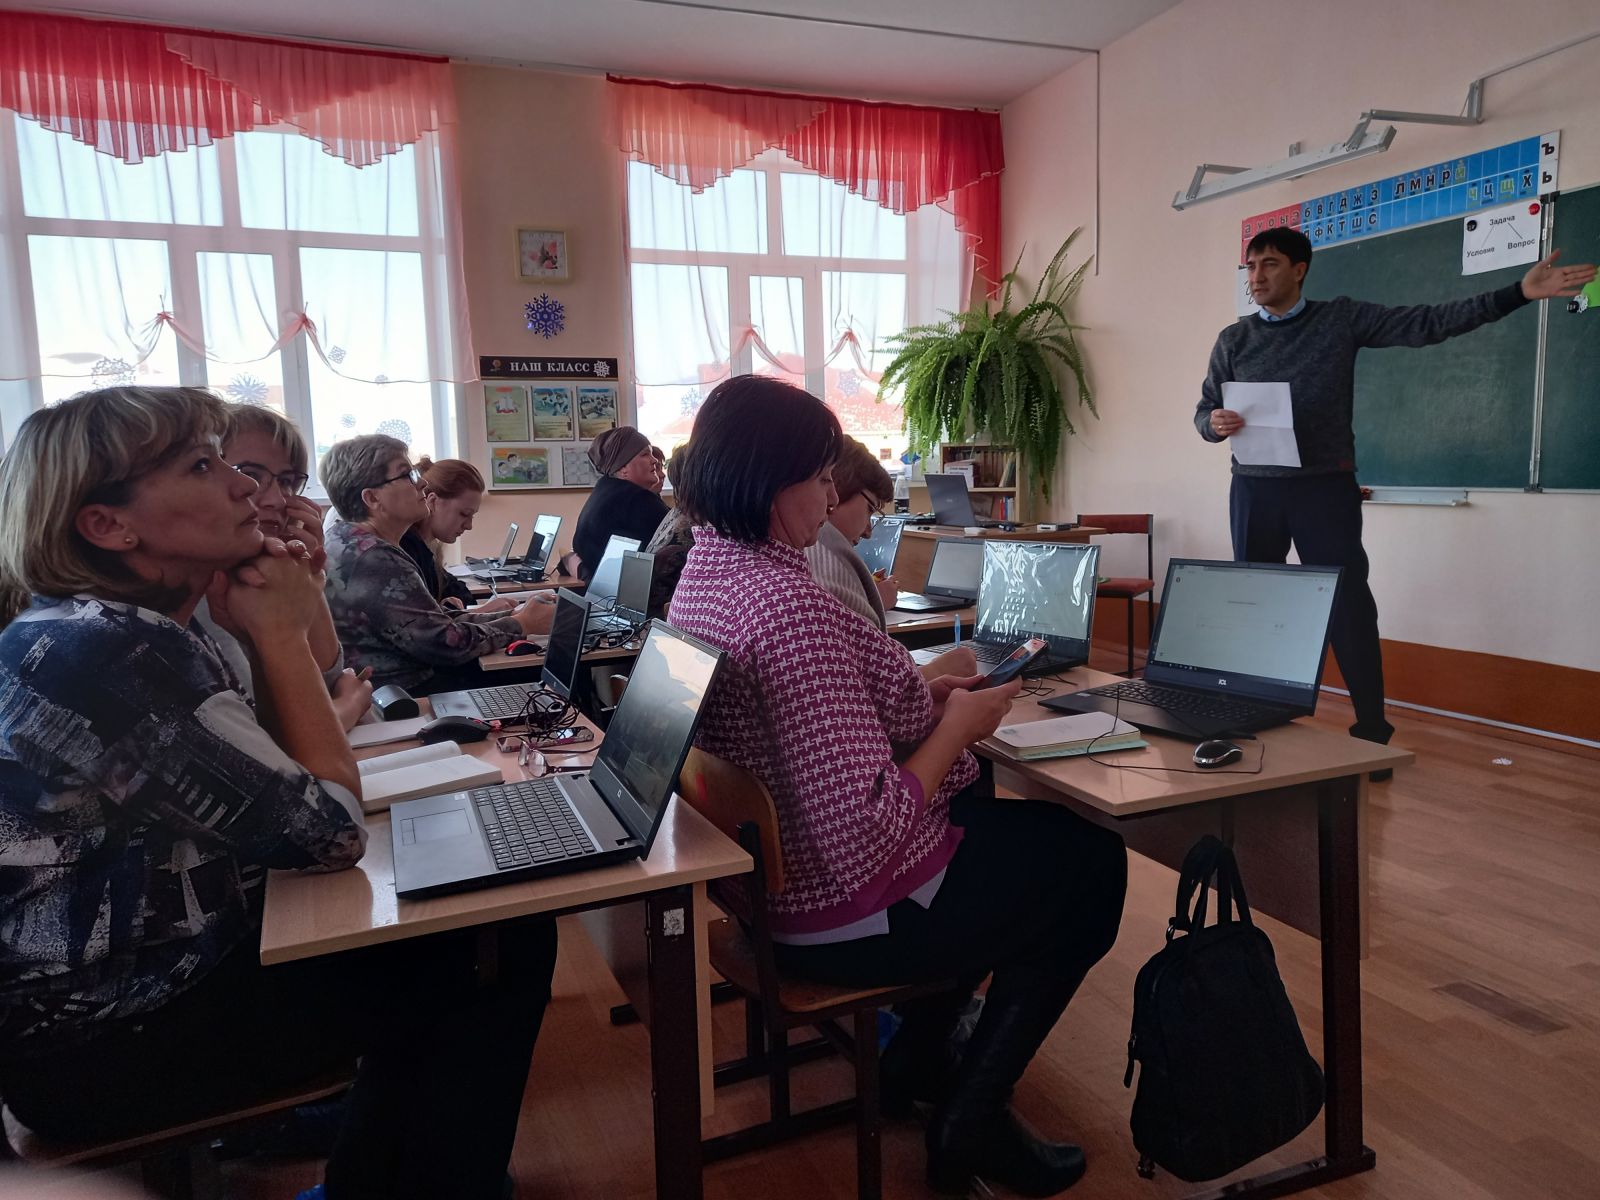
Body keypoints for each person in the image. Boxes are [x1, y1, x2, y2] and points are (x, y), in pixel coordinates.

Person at [0, 386, 556, 1200]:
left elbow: (276, 765)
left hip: (127, 999)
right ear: (108, 525)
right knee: (495, 943)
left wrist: (280, 623)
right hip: (104, 1042)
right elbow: (328, 831)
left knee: (465, 931)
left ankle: (387, 1181)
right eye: (203, 466)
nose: (244, 486)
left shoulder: (108, 628)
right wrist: (279, 632)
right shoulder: (109, 657)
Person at [668, 376, 1127, 1197]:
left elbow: (811, 722)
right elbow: (866, 827)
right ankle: (971, 1118)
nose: (831, 495)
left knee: (1017, 841)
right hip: (836, 913)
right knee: (1090, 866)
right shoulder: (790, 607)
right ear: (768, 481)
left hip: (767, 897)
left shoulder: (709, 570)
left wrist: (926, 697)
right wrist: (956, 730)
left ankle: (915, 1059)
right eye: (820, 478)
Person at [1197, 227, 1596, 764]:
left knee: (1349, 607)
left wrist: (1517, 294)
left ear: (1299, 269)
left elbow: (1428, 323)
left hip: (1323, 489)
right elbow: (1204, 411)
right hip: (1254, 488)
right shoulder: (1233, 339)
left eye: (1269, 264)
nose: (1257, 276)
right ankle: (1254, 716)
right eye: (1250, 266)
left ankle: (1371, 731)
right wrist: (1214, 424)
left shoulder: (1339, 319)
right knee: (1254, 602)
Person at [320, 435, 551, 693]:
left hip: (400, 685)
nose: (422, 483)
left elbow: (432, 623)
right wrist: (522, 624)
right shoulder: (374, 559)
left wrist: (514, 615)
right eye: (407, 475)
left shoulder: (349, 540)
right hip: (410, 694)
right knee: (549, 672)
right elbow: (445, 643)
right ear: (373, 498)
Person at [215, 402, 373, 729]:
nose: (275, 499)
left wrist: (309, 571)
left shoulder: (262, 572)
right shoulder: (198, 594)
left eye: (287, 481)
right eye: (250, 474)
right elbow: (273, 738)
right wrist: (349, 706)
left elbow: (326, 684)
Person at [402, 456, 516, 615]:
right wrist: (481, 612)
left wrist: (449, 606)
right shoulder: (408, 550)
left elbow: (460, 592)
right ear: (433, 501)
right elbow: (424, 624)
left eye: (472, 516)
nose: (469, 525)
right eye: (464, 514)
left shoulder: (428, 549)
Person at [571, 426, 668, 581]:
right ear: (623, 468)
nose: (654, 460)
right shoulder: (637, 499)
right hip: (621, 589)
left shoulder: (605, 489)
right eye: (645, 454)